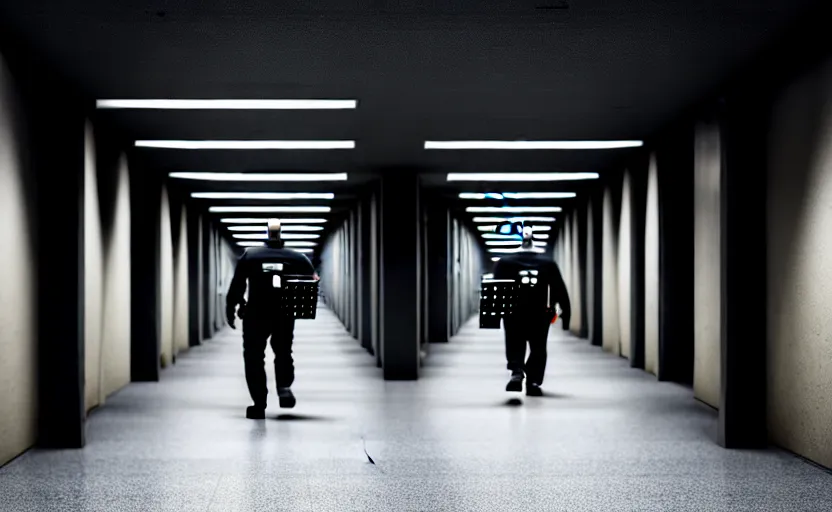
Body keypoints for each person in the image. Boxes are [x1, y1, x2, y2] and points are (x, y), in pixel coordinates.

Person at [226, 218, 319, 419]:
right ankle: (284, 386)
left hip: (255, 314)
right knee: (283, 350)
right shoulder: (298, 258)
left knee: (253, 357)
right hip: (284, 313)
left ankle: (259, 404)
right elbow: (313, 279)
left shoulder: (250, 256)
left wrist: (231, 306)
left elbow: (237, 285)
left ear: (266, 237)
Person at [492, 224, 571, 397]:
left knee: (514, 342)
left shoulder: (505, 263)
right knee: (538, 347)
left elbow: (496, 289)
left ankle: (517, 370)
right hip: (541, 313)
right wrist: (566, 315)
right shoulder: (548, 264)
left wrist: (493, 317)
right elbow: (559, 290)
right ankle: (533, 380)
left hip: (513, 312)